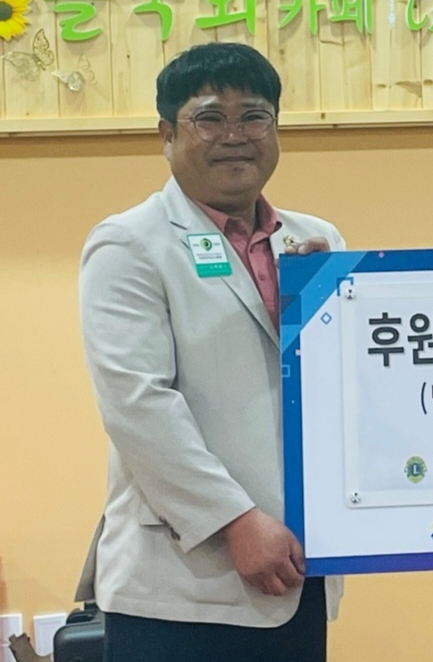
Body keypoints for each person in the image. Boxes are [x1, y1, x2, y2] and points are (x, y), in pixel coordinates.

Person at [74, 42, 344, 662]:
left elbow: (343, 382)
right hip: (183, 582)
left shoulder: (317, 241)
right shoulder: (129, 244)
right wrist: (235, 521)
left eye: (254, 117)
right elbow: (138, 405)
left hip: (301, 566)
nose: (236, 136)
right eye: (210, 119)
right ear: (167, 134)